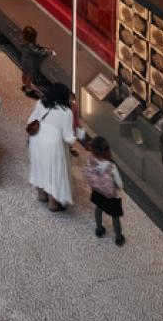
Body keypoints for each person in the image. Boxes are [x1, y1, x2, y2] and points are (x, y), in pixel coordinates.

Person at [27, 81, 76, 211]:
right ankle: (53, 203)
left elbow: (30, 120)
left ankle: (42, 195)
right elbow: (68, 138)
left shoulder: (41, 103)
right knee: (54, 172)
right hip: (53, 144)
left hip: (36, 139)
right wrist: (77, 137)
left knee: (40, 166)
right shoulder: (66, 112)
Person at [84, 136, 125, 245]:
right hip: (110, 196)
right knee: (115, 217)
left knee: (98, 209)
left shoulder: (91, 161)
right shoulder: (112, 166)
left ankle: (99, 229)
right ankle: (118, 237)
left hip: (97, 192)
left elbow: (90, 173)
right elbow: (120, 185)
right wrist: (117, 187)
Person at [18, 24, 51, 97]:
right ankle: (28, 90)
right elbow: (38, 52)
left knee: (24, 73)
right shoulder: (31, 46)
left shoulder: (23, 41)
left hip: (23, 61)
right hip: (29, 64)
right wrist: (47, 52)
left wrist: (36, 46)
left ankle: (24, 86)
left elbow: (32, 48)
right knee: (29, 77)